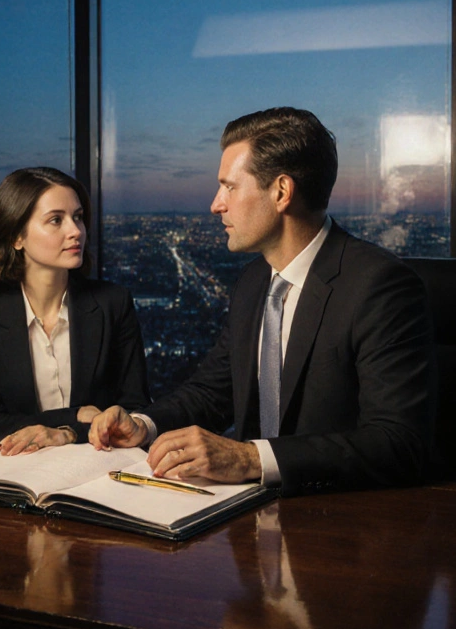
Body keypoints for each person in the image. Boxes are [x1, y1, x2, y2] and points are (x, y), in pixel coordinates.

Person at [89, 107, 437, 496]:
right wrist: (144, 425)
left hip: (339, 523)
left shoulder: (379, 286)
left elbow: (397, 443)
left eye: (230, 187)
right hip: (247, 520)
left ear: (281, 192)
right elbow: (213, 392)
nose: (216, 204)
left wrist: (249, 459)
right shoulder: (255, 281)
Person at [0, 167, 149, 455]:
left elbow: (134, 413)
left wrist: (66, 434)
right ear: (16, 237)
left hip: (97, 470)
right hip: (13, 475)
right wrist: (72, 417)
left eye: (78, 217)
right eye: (56, 220)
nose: (76, 231)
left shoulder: (113, 303)